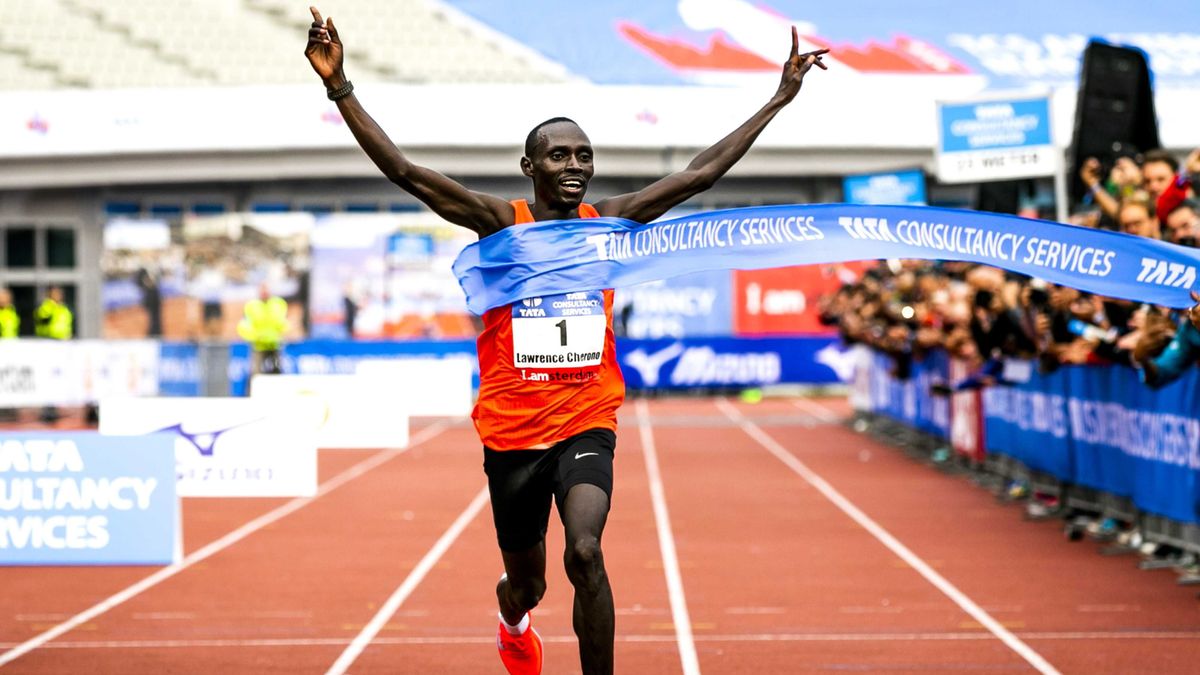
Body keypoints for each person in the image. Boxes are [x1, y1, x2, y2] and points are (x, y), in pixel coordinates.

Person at [305, 7, 826, 674]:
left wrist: (777, 99)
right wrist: (340, 84)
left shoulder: (606, 222)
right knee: (530, 581)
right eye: (560, 155)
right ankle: (513, 616)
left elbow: (699, 175)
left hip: (586, 418)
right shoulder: (499, 222)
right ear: (530, 165)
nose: (575, 165)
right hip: (513, 431)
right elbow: (406, 172)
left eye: (584, 154)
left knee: (585, 551)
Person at [237, 282, 289, 377]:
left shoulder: (279, 304)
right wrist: (255, 336)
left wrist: (283, 333)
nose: (265, 292)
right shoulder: (251, 306)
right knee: (256, 374)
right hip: (258, 345)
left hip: (275, 344)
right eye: (263, 290)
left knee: (277, 373)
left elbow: (283, 322)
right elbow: (244, 325)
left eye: (266, 289)